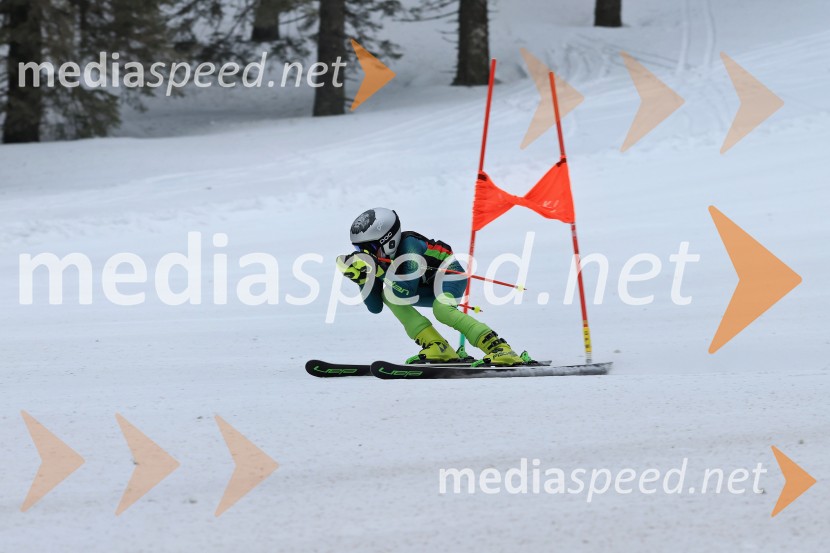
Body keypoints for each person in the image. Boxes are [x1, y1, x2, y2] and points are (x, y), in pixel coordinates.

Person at [336, 207, 525, 365]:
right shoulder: (379, 260)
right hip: (424, 285)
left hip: (450, 276)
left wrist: (378, 272)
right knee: (389, 295)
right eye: (358, 250)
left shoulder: (410, 246)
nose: (364, 254)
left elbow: (406, 291)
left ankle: (499, 347)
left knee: (441, 309)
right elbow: (375, 307)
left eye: (368, 248)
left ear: (388, 240)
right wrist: (362, 279)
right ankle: (438, 347)